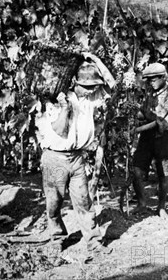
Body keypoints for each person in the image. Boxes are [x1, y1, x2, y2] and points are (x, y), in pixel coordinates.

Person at [33, 52, 115, 255]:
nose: (91, 90)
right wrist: (65, 108)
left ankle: (93, 241)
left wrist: (95, 59)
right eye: (86, 86)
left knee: (83, 200)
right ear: (74, 82)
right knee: (54, 202)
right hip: (55, 158)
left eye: (93, 87)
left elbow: (112, 85)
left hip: (77, 157)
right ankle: (56, 237)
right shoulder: (56, 99)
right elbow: (60, 130)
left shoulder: (92, 97)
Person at [130, 62, 168, 219]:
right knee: (136, 169)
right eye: (148, 80)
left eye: (153, 79)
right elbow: (144, 114)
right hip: (147, 136)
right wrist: (131, 111)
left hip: (162, 137)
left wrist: (136, 130)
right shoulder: (150, 94)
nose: (150, 83)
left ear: (163, 78)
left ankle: (161, 206)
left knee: (162, 173)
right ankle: (142, 203)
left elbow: (160, 122)